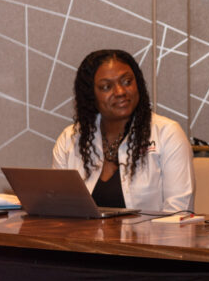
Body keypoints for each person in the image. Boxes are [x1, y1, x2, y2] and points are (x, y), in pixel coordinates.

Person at [53, 49, 194, 212]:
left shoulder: (167, 133)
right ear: (90, 95)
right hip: (82, 237)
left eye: (127, 82)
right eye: (106, 87)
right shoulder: (70, 139)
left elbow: (180, 212)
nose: (120, 92)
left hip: (150, 237)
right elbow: (60, 209)